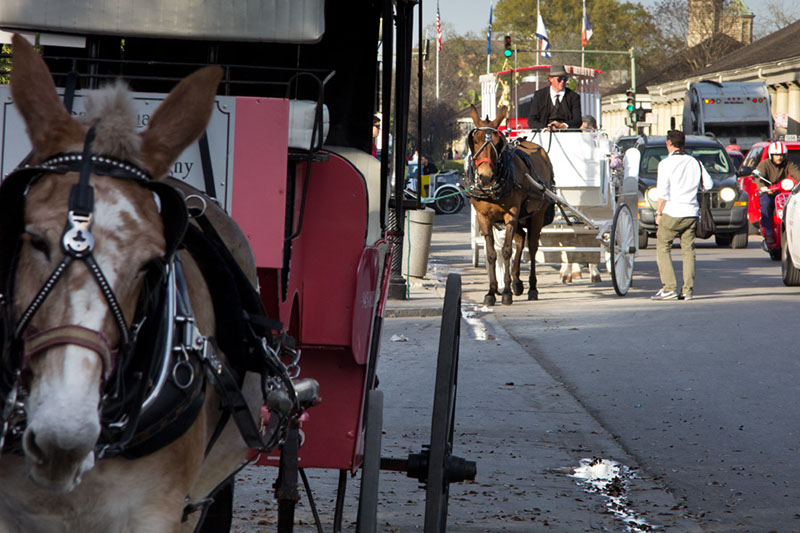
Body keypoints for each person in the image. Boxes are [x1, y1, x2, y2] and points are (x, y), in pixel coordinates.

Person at [652, 130, 713, 301]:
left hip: (673, 211)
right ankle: (687, 290)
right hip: (692, 213)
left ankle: (669, 287)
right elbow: (708, 185)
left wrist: (658, 213)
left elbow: (662, 193)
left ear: (669, 143)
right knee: (688, 251)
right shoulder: (695, 162)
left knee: (663, 247)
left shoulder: (665, 164)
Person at [754, 141, 800, 245]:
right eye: (776, 155)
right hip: (768, 192)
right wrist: (763, 187)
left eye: (781, 155)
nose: (779, 157)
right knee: (765, 204)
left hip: (782, 192)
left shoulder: (788, 163)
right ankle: (769, 232)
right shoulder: (764, 164)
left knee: (794, 205)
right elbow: (758, 177)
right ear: (771, 155)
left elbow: (796, 174)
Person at [527, 64, 582, 130]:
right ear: (551, 79)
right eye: (559, 79)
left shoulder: (573, 96)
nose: (562, 81)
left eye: (565, 79)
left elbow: (578, 120)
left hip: (568, 134)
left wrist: (563, 125)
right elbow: (532, 120)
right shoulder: (539, 95)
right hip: (544, 134)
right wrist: (545, 129)